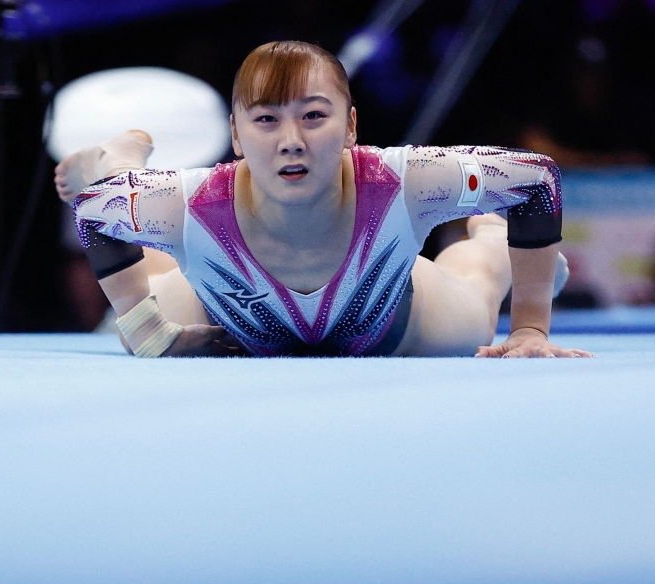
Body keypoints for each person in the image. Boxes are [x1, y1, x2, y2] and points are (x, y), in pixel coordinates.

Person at [54, 41, 591, 359]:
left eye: (314, 116)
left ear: (351, 125)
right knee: (142, 324)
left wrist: (528, 328)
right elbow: (98, 210)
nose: (292, 140)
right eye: (266, 120)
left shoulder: (402, 180)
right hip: (222, 316)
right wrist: (144, 326)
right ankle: (119, 161)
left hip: (394, 324)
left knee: (481, 283)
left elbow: (533, 179)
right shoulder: (194, 198)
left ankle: (496, 239)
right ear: (237, 137)